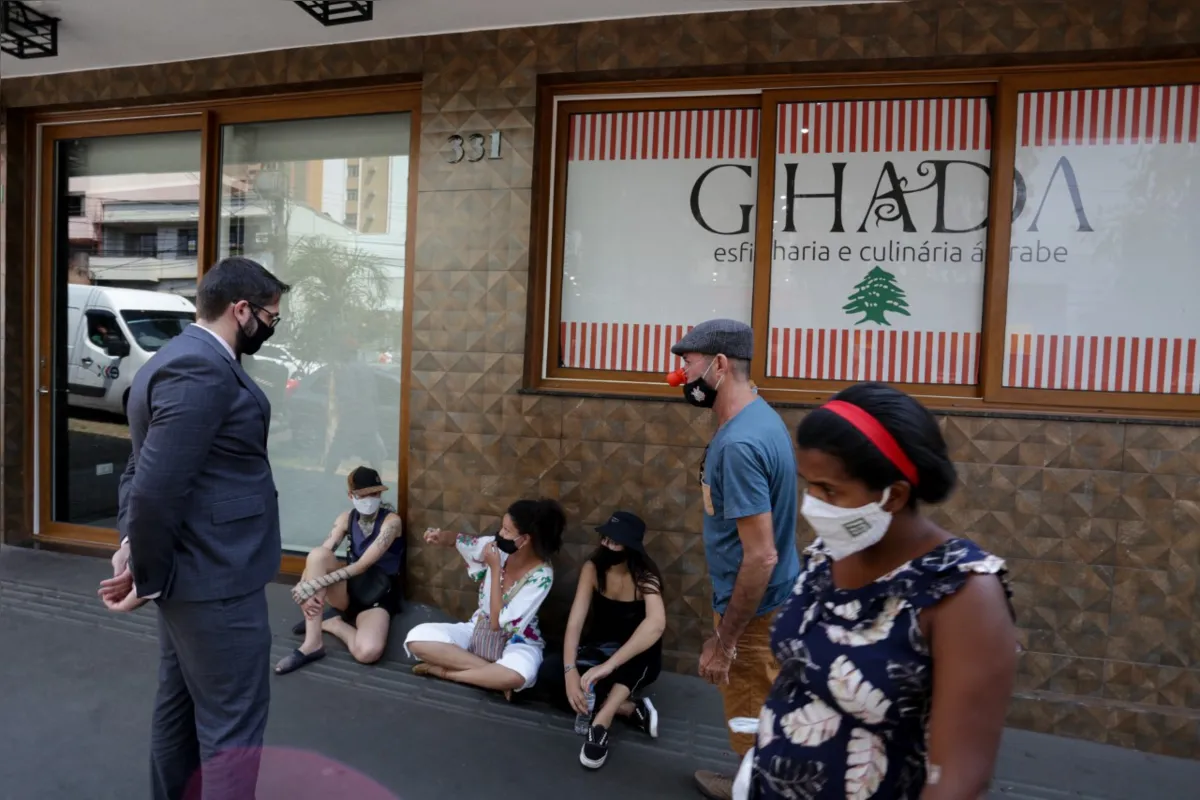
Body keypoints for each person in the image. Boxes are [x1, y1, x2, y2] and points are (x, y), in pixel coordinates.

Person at [748, 383, 1016, 800]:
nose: (813, 504)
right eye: (810, 485)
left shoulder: (961, 592)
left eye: (830, 490)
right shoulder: (825, 556)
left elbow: (959, 779)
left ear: (894, 496)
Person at [97, 256, 289, 800]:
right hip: (216, 580)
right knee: (232, 732)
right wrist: (145, 573)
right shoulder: (199, 368)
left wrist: (134, 547)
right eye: (271, 318)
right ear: (241, 310)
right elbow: (155, 483)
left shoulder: (172, 358)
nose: (272, 329)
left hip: (195, 577)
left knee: (179, 715)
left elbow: (145, 466)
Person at [669, 319, 801, 800]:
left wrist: (725, 640)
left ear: (720, 366)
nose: (681, 376)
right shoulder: (757, 418)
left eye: (688, 364)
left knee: (750, 706)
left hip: (754, 609)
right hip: (774, 598)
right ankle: (754, 779)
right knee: (765, 703)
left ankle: (752, 788)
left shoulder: (741, 445)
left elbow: (760, 555)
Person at [538, 511, 666, 770]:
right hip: (597, 650)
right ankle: (629, 709)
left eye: (616, 542)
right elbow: (575, 621)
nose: (608, 546)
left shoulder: (645, 577)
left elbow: (655, 624)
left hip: (633, 655)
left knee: (638, 660)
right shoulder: (593, 569)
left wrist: (609, 666)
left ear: (630, 547)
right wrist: (570, 671)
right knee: (550, 676)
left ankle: (601, 724)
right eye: (605, 539)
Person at [405, 499, 564, 699]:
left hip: (518, 640)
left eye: (507, 530)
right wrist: (441, 536)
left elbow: (498, 623)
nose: (500, 534)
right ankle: (491, 676)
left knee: (517, 676)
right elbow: (463, 541)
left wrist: (496, 568)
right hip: (479, 628)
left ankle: (445, 672)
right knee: (417, 639)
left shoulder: (542, 575)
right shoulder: (498, 547)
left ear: (525, 539)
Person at [275, 465, 405, 675]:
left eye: (375, 493)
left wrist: (314, 585)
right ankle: (312, 643)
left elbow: (363, 565)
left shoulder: (391, 522)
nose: (370, 498)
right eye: (363, 494)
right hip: (348, 591)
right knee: (318, 555)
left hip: (378, 594)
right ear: (350, 495)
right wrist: (303, 584)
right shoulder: (346, 518)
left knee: (368, 652)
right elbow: (322, 554)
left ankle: (333, 624)